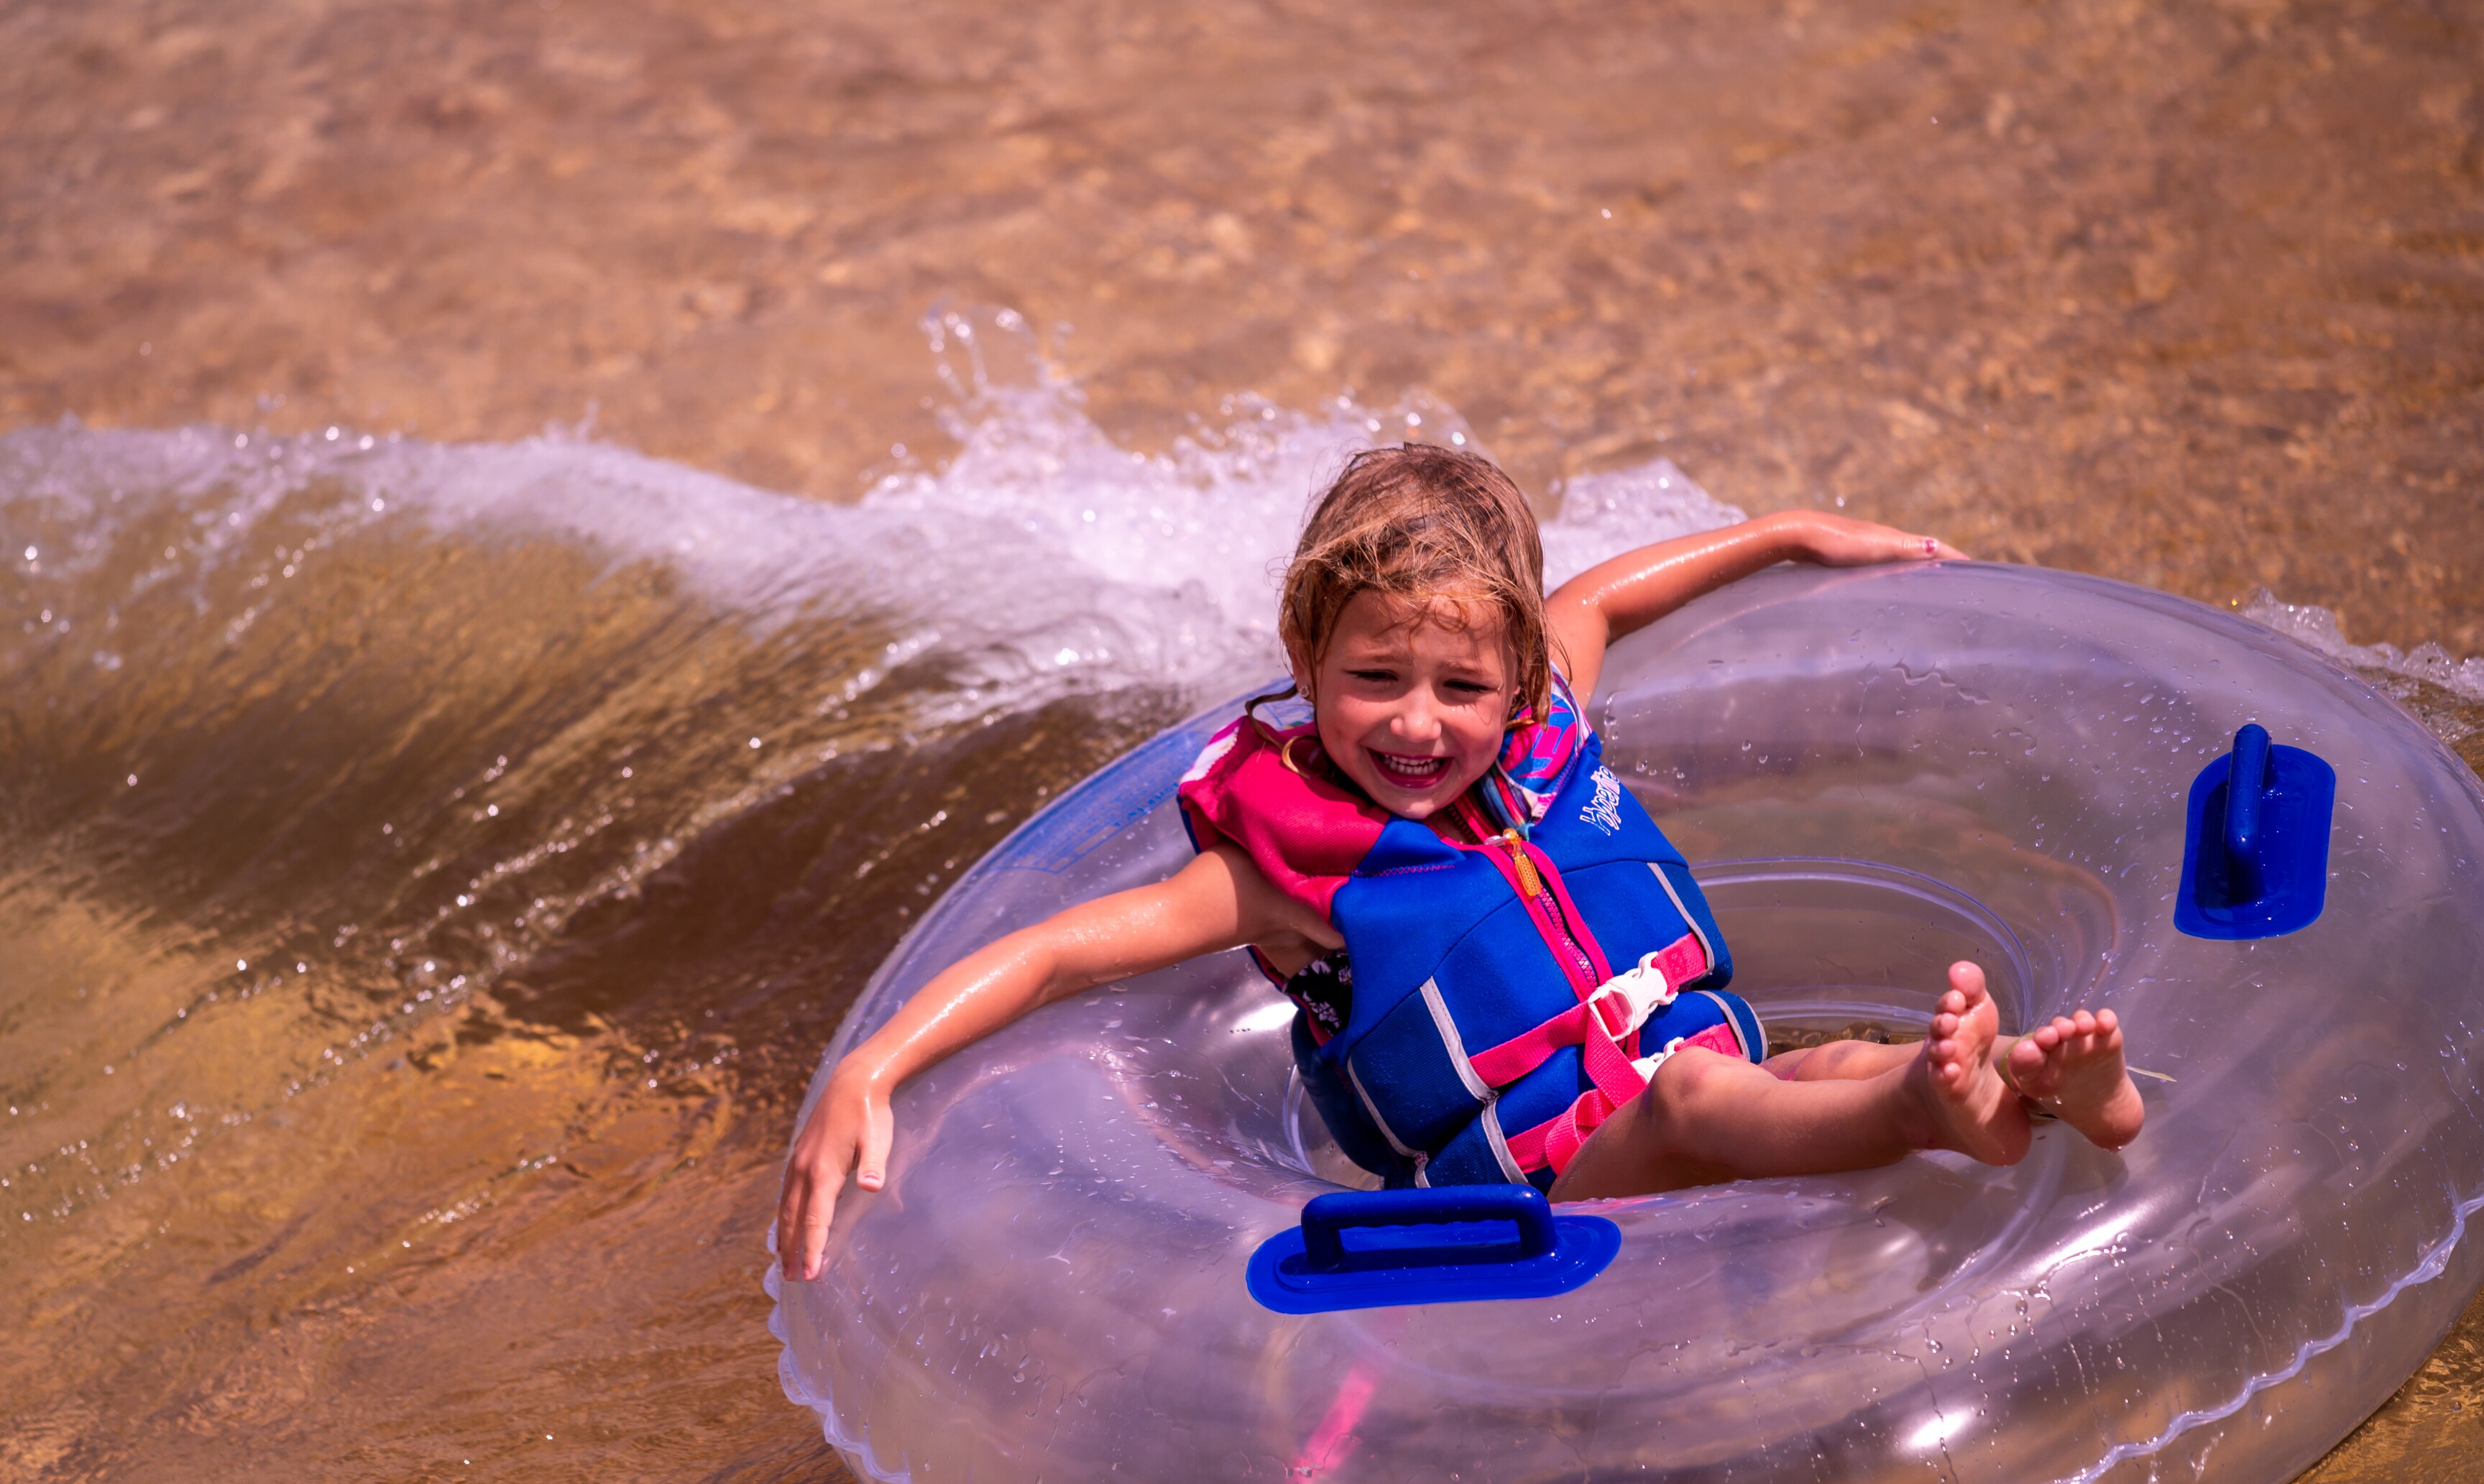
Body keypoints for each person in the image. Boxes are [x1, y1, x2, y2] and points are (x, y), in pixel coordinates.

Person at [776, 446, 2143, 1280]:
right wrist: (872, 1064)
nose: (1418, 724)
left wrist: (1791, 532)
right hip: (1538, 1194)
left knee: (1809, 1069)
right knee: (1704, 1104)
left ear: (1515, 682)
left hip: (1675, 1068)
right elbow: (1062, 948)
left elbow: (1602, 594)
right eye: (1371, 677)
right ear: (1304, 665)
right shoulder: (1288, 877)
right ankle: (1933, 1102)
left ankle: (2029, 1087)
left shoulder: (1546, 724)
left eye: (1459, 685)